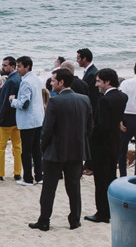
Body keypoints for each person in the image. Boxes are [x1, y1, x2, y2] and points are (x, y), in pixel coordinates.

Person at [28, 68, 93, 231]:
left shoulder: (55, 101)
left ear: (61, 82)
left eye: (53, 80)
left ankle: (44, 220)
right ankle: (74, 220)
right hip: (77, 150)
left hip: (55, 151)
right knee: (74, 188)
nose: (51, 82)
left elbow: (47, 129)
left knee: (49, 188)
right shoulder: (85, 99)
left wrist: (44, 147)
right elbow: (90, 127)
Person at [86, 68, 127, 223]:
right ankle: (111, 209)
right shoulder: (123, 96)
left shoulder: (105, 100)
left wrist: (91, 135)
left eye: (98, 81)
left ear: (107, 82)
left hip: (102, 145)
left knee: (101, 180)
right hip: (115, 141)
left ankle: (102, 212)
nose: (96, 85)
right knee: (111, 177)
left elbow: (102, 125)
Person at [9, 56, 44, 186]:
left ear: (27, 67)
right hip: (38, 118)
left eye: (19, 66)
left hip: (28, 121)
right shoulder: (37, 79)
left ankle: (28, 178)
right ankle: (39, 176)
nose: (17, 69)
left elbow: (24, 104)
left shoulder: (26, 82)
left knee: (27, 150)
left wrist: (12, 100)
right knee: (36, 149)